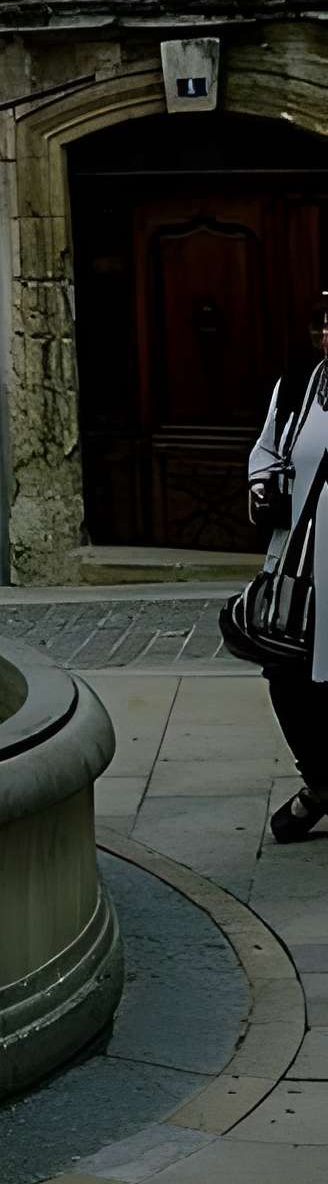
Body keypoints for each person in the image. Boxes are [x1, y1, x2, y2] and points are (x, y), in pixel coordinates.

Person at [248, 292, 328, 841]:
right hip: (299, 559)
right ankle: (320, 781)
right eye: (319, 325)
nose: (325, 335)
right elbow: (266, 451)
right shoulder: (298, 387)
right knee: (285, 671)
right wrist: (264, 487)